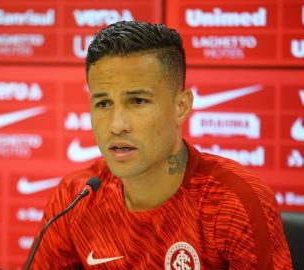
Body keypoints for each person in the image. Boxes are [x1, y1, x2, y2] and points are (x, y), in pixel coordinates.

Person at [24, 21, 292, 269]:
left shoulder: (234, 202)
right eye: (103, 103)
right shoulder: (76, 196)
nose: (117, 125)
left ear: (181, 106)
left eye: (138, 101)